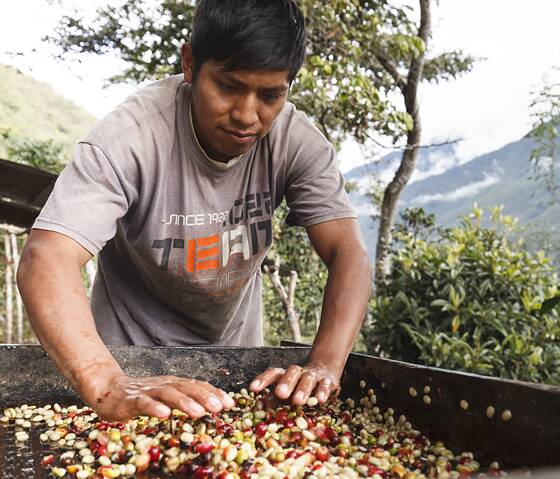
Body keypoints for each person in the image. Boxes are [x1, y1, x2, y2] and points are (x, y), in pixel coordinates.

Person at [16, 0, 371, 421]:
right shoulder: (127, 139)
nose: (246, 115)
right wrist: (106, 381)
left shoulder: (298, 143)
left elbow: (348, 253)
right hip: (128, 367)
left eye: (270, 95)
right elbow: (46, 258)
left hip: (238, 372)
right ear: (190, 64)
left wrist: (325, 365)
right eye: (228, 87)